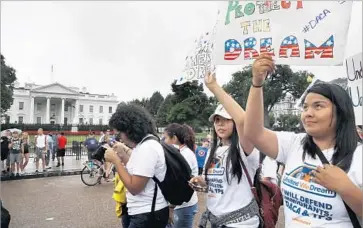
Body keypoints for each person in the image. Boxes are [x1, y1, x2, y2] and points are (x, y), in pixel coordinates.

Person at [243, 54, 362, 227]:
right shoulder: (294, 144)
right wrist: (257, 83)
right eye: (305, 107)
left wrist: (345, 188)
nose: (308, 113)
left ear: (341, 111)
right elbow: (253, 133)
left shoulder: (359, 157)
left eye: (318, 106)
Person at [190, 71, 260, 227]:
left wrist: (214, 87)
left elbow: (244, 122)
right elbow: (210, 183)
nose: (220, 124)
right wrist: (199, 181)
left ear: (234, 122)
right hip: (215, 220)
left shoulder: (245, 147)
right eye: (216, 120)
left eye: (226, 120)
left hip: (241, 223)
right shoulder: (212, 151)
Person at [104, 104, 169, 228]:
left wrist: (116, 161)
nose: (121, 138)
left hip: (148, 213)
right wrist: (123, 155)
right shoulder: (144, 144)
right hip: (145, 211)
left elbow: (135, 188)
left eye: (120, 133)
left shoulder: (147, 148)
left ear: (129, 130)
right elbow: (138, 171)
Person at [163, 123, 198, 228]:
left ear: (174, 138)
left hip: (182, 205)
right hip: (181, 205)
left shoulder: (184, 155)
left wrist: (171, 207)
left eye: (166, 138)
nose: (164, 141)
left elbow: (180, 183)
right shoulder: (181, 153)